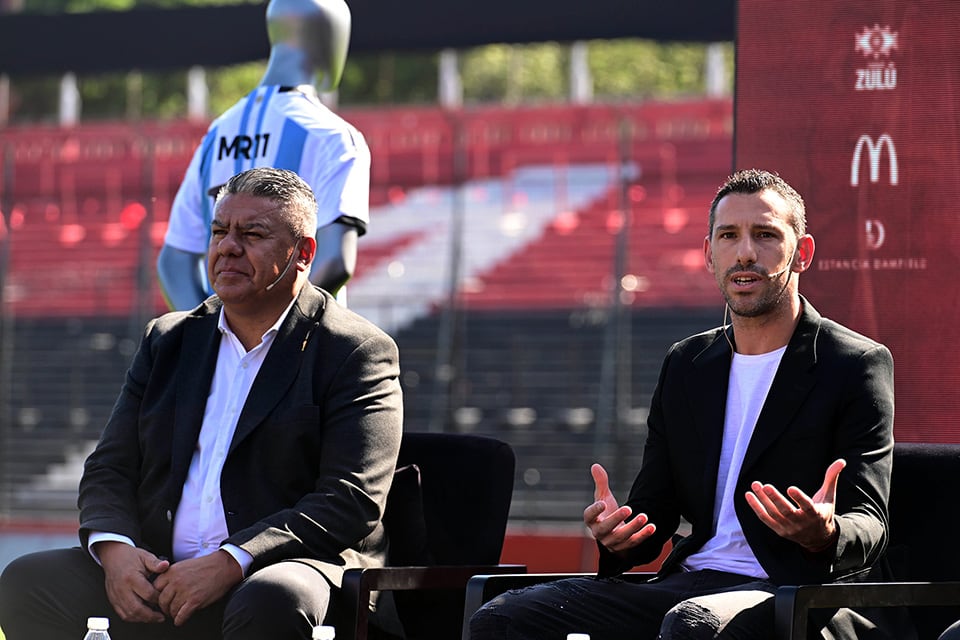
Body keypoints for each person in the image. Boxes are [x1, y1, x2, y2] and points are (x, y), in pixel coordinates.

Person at [469, 169, 897, 639]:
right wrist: (620, 534)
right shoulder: (688, 363)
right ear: (709, 254)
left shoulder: (853, 363)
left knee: (691, 624)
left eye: (766, 235)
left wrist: (825, 533)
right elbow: (655, 507)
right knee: (501, 617)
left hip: (792, 594)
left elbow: (870, 522)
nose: (745, 253)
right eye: (729, 236)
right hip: (692, 581)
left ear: (803, 253)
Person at [0, 167, 403, 640]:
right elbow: (110, 466)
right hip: (161, 573)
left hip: (280, 569)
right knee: (27, 581)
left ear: (303, 253)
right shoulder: (168, 339)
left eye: (252, 234)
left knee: (274, 597)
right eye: (219, 231)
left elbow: (350, 498)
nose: (227, 247)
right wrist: (116, 551)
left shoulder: (355, 351)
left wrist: (232, 560)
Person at [158, 0, 369, 310]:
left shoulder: (218, 133)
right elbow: (335, 260)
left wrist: (211, 332)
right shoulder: (333, 136)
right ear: (332, 40)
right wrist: (272, 330)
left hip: (224, 335)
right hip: (304, 340)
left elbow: (174, 261)